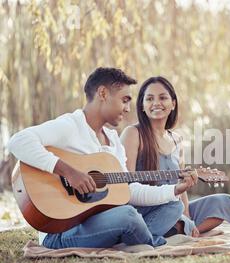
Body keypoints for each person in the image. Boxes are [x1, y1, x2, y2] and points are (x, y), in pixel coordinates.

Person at [7, 68, 198, 249]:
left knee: (173, 205)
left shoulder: (113, 140)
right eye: (124, 100)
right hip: (62, 230)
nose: (127, 108)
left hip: (102, 220)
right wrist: (69, 172)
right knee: (128, 215)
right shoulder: (71, 126)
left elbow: (129, 191)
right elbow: (18, 141)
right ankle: (150, 242)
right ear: (103, 94)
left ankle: (131, 239)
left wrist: (175, 189)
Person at [120, 76, 230, 237]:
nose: (156, 103)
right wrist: (179, 213)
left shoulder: (177, 140)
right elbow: (126, 186)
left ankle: (183, 228)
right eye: (149, 99)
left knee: (222, 202)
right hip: (145, 209)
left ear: (173, 104)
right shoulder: (133, 133)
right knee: (173, 209)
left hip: (174, 207)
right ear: (142, 105)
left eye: (163, 98)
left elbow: (181, 185)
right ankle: (178, 229)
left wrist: (187, 215)